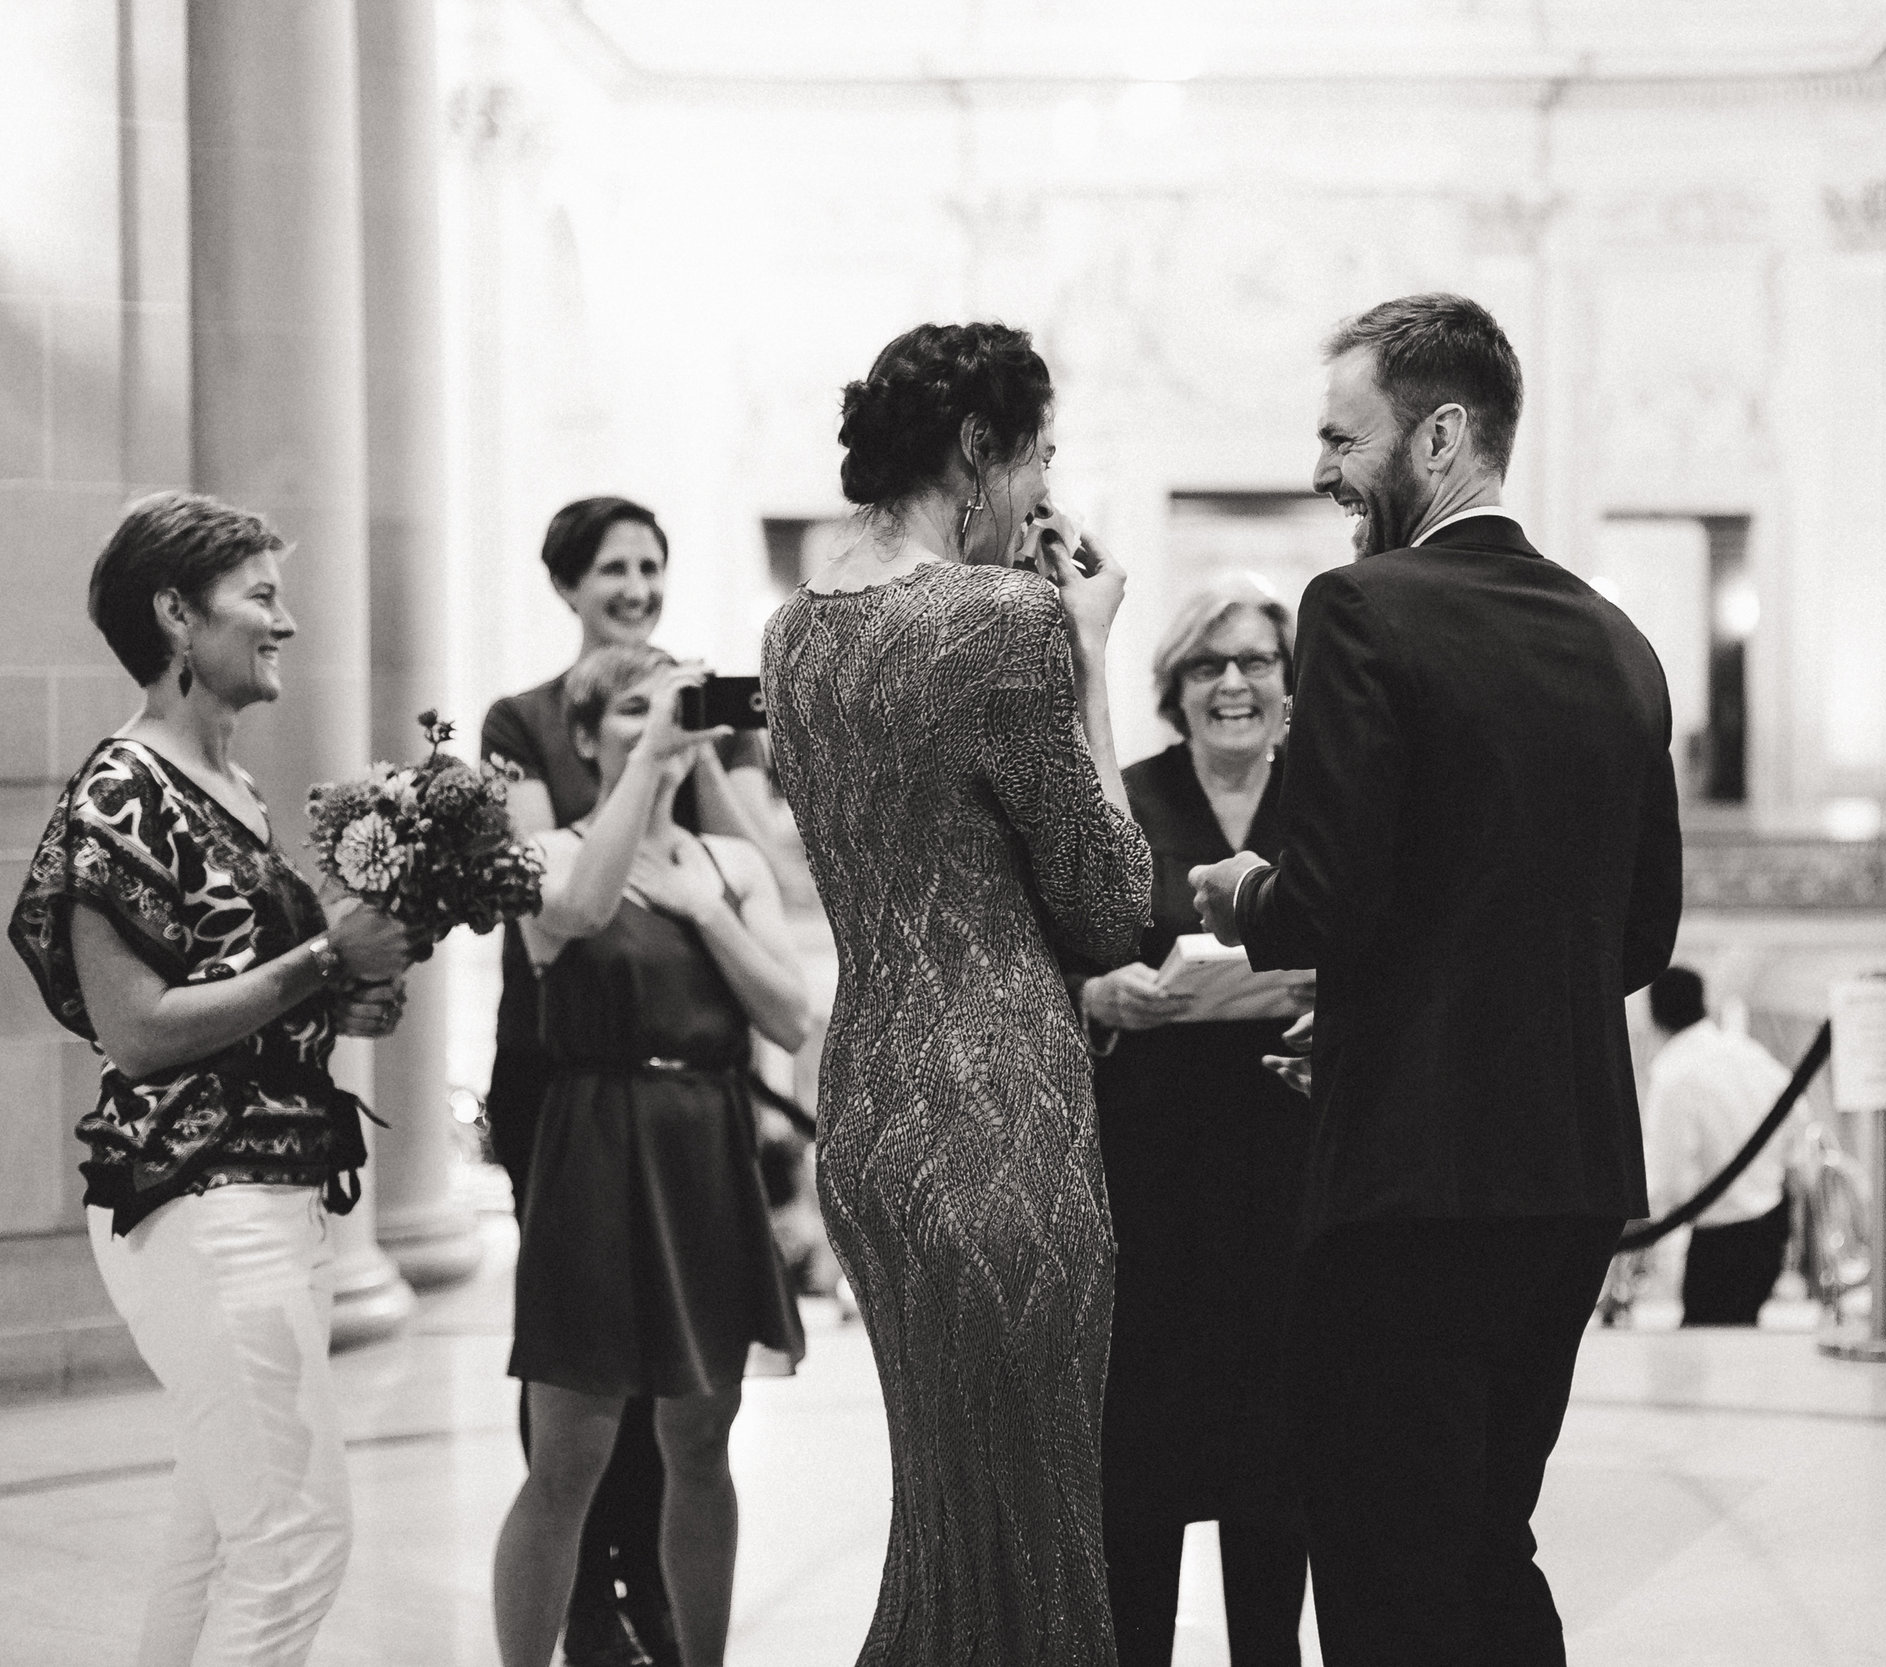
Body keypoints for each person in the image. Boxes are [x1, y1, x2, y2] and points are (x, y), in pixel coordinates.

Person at [1191, 294, 1683, 1667]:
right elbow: (1641, 936)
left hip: (1411, 1174)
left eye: (1345, 438)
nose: (1323, 472)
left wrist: (1252, 896)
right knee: (1484, 1536)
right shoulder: (1619, 636)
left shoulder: (1360, 607)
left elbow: (1334, 894)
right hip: (1571, 1172)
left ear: (1444, 434)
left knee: (1381, 1552)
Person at [760, 320, 1152, 1665]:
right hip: (999, 1109)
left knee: (950, 1516)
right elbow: (1110, 904)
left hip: (868, 1107)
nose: (1046, 489)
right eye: (1040, 454)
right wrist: (1088, 650)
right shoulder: (1003, 621)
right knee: (1037, 1523)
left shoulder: (793, 631)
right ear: (978, 448)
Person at [7, 492, 425, 1666]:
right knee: (297, 1539)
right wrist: (322, 956)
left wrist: (340, 995)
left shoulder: (232, 787)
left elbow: (249, 988)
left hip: (270, 1194)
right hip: (199, 1196)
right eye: (261, 596)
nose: (284, 621)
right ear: (176, 615)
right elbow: (137, 1032)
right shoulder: (121, 789)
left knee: (213, 1537)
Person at [479, 495, 769, 1667]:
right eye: (614, 569)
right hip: (567, 1060)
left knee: (686, 1394)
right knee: (579, 1375)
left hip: (687, 1061)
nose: (638, 586)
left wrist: (698, 742)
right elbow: (565, 895)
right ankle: (584, 1595)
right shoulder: (523, 719)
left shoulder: (690, 701)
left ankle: (650, 1589)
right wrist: (644, 751)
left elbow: (745, 865)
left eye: (653, 565)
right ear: (567, 585)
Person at [1082, 574, 1315, 1667]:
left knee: (1280, 1474)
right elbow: (1059, 955)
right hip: (1155, 1181)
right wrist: (1101, 992)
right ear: (1173, 688)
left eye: (1256, 661)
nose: (1233, 683)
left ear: (1289, 683)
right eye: (1207, 664)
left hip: (1291, 1171)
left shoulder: (1326, 803)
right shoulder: (1127, 799)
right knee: (1144, 1475)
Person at [1639, 968, 1798, 1327]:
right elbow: (1797, 1119)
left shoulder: (1673, 1074)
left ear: (1653, 1016)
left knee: (1705, 1359)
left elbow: (1669, 1182)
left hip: (1719, 1243)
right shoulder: (1746, 1052)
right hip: (1770, 1227)